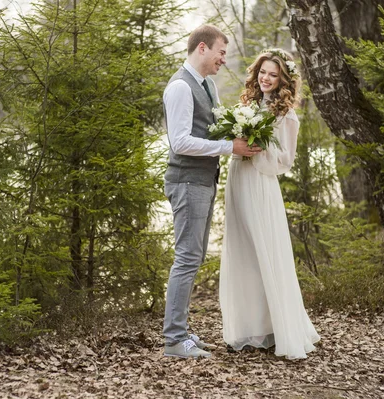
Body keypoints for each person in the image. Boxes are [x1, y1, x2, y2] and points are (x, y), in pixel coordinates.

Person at [162, 25, 261, 358]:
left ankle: (182, 332)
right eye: (221, 52)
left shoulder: (207, 85)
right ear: (202, 48)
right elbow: (180, 142)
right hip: (187, 181)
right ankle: (174, 340)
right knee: (187, 257)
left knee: (195, 256)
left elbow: (215, 125)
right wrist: (229, 147)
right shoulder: (180, 87)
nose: (223, 59)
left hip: (202, 181)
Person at [219, 49, 320, 359]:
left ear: (283, 80)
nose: (266, 78)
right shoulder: (247, 104)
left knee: (265, 250)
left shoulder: (286, 116)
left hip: (261, 185)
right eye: (263, 72)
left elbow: (284, 161)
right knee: (244, 252)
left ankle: (279, 327)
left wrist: (259, 149)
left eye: (273, 75)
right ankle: (250, 327)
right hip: (239, 177)